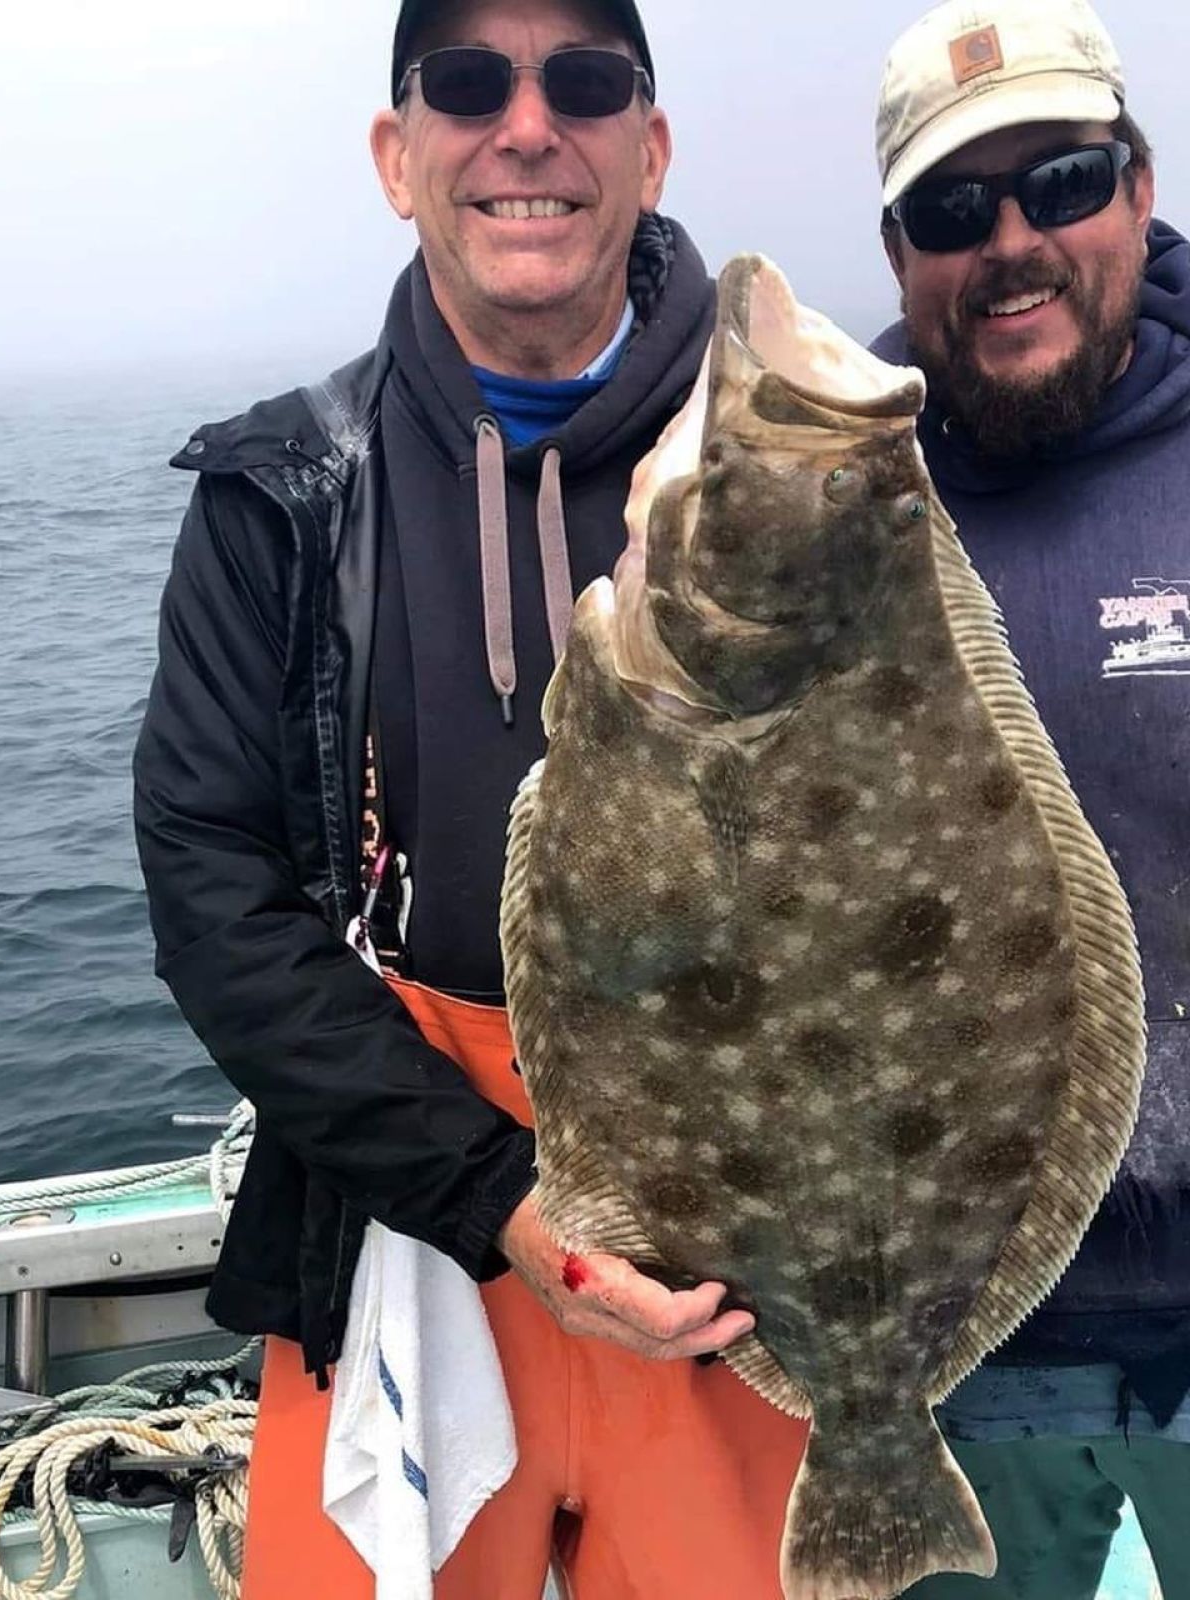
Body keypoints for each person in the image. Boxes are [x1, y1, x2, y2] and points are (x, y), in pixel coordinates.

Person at [133, 2, 808, 1597]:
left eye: (582, 83)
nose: (525, 128)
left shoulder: (791, 468)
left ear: (649, 152)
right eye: (464, 84)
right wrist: (500, 1203)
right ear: (396, 155)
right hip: (403, 1199)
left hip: (734, 1228)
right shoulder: (280, 499)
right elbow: (211, 886)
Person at [873, 1, 1190, 1594]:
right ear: (901, 251)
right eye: (951, 211)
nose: (1011, 242)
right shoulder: (828, 503)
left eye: (1061, 179)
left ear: (1139, 184)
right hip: (951, 1347)